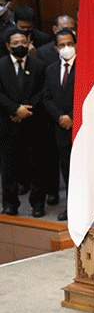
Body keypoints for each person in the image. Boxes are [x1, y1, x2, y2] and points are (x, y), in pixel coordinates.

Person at [0, 27, 46, 216]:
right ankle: (10, 204)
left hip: (32, 123)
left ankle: (38, 204)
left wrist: (25, 111)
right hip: (7, 123)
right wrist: (14, 109)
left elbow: (43, 92)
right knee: (8, 167)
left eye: (23, 42)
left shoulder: (38, 65)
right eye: (16, 43)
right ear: (8, 46)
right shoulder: (0, 65)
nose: (20, 46)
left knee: (36, 166)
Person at [42, 28, 76, 221]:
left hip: (80, 127)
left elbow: (87, 97)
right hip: (61, 128)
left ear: (76, 45)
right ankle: (71, 208)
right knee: (67, 171)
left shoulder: (85, 68)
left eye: (70, 44)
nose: (66, 48)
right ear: (56, 48)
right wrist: (61, 117)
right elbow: (46, 98)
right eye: (62, 45)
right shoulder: (51, 69)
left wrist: (72, 116)